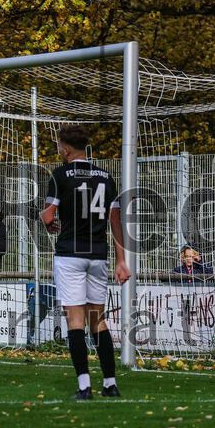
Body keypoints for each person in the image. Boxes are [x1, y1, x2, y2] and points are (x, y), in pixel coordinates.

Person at [39, 125, 130, 400]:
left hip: (70, 254)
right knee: (98, 320)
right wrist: (121, 260)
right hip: (98, 256)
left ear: (66, 149)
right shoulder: (105, 177)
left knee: (75, 322)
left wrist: (47, 221)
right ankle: (110, 384)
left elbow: (47, 216)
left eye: (59, 146)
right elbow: (115, 221)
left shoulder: (59, 175)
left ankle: (84, 386)